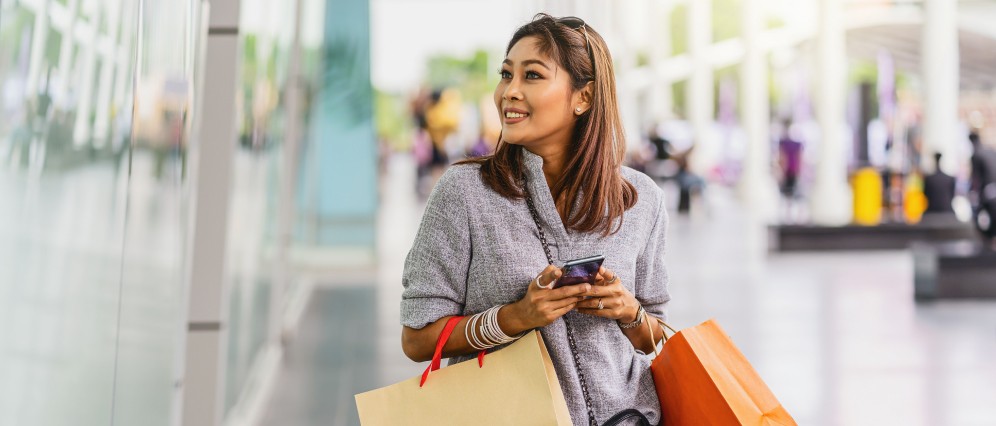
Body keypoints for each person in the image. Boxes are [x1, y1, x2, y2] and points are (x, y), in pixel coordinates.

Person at [400, 14, 669, 426]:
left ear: (584, 97)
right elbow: (417, 338)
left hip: (630, 417)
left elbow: (656, 338)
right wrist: (515, 318)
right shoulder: (464, 192)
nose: (509, 91)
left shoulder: (641, 199)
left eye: (532, 75)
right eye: (506, 74)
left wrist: (629, 311)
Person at [969, 132, 996, 248]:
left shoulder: (976, 154)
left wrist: (973, 193)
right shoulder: (990, 151)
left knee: (977, 215)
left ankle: (987, 241)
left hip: (987, 191)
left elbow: (976, 178)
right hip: (993, 190)